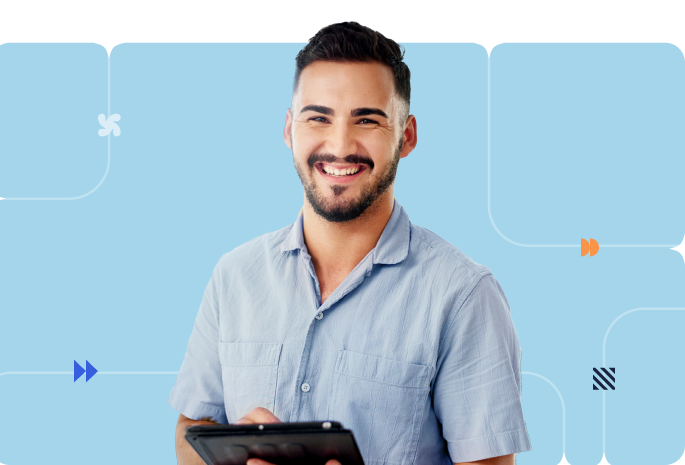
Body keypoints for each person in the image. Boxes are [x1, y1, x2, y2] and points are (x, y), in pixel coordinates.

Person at [169, 21, 532, 465]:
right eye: (318, 117)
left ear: (406, 136)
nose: (339, 146)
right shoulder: (234, 276)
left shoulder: (464, 296)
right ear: (289, 130)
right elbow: (193, 428)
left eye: (367, 119)